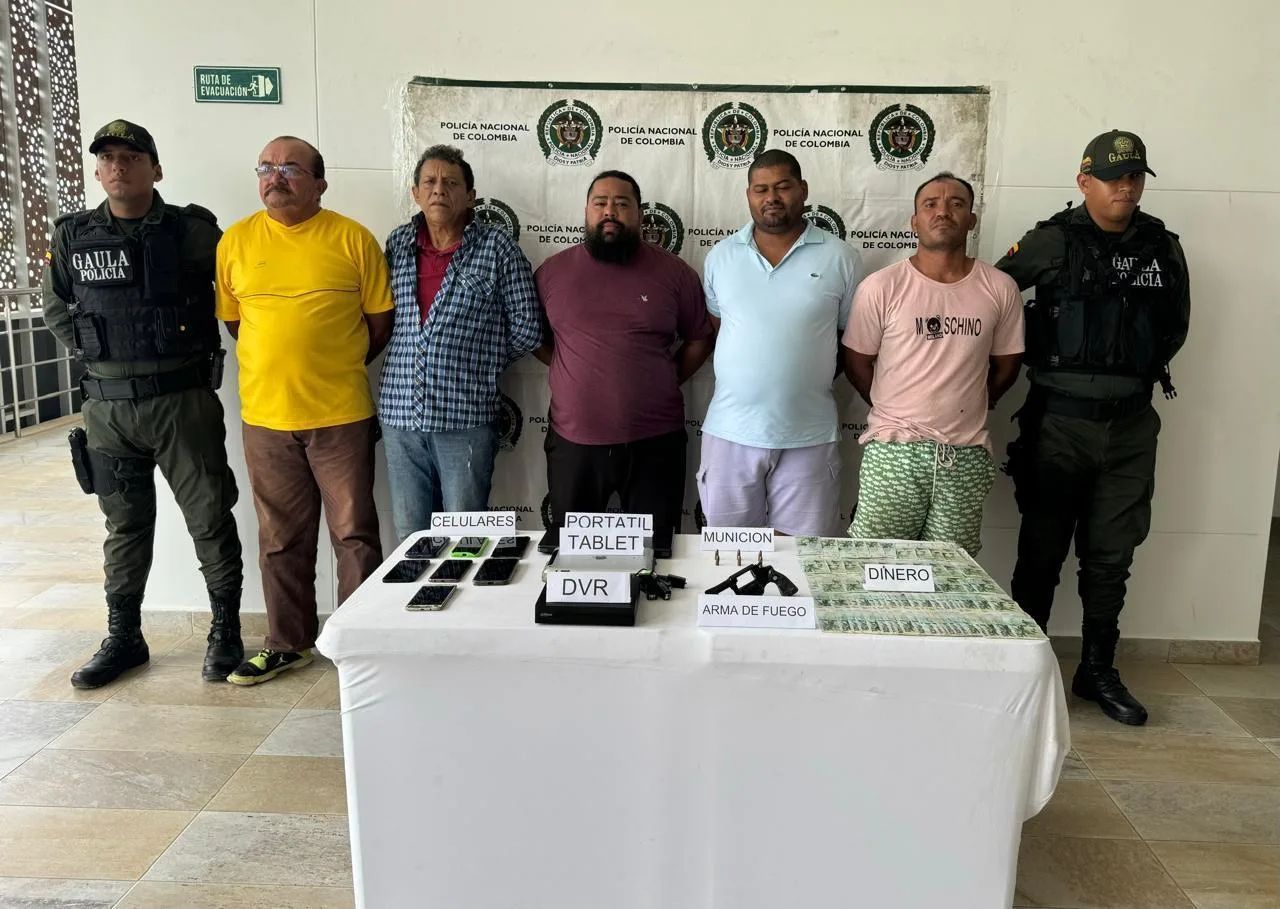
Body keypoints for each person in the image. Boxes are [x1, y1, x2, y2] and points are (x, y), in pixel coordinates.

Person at [997, 130, 1191, 726]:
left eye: (1134, 177)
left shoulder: (1162, 246)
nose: (1125, 187)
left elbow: (1176, 326)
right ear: (1085, 182)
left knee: (1111, 556)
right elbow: (992, 298)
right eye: (1113, 177)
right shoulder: (1051, 240)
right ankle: (1025, 669)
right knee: (1042, 550)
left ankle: (1097, 669)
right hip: (1060, 422)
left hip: (1131, 427)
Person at [42, 119, 243, 688]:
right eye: (107, 157)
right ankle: (124, 637)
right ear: (97, 170)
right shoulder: (73, 236)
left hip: (180, 403)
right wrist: (98, 352)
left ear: (156, 169)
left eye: (131, 157)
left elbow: (237, 289)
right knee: (124, 526)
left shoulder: (192, 232)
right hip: (107, 411)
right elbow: (56, 306)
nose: (118, 167)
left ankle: (225, 631)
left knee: (209, 517)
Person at [216, 136, 394, 685]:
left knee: (354, 536)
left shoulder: (353, 239)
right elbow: (236, 324)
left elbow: (379, 325)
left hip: (341, 416)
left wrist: (327, 364)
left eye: (291, 168)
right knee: (279, 540)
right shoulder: (236, 241)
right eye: (266, 167)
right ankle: (287, 643)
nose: (276, 177)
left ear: (319, 183)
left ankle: (357, 644)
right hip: (266, 421)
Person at [844, 172, 1023, 556]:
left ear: (971, 219)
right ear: (914, 221)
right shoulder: (881, 287)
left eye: (956, 204)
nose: (943, 212)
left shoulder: (999, 288)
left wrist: (972, 402)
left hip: (965, 455)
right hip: (894, 451)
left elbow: (1008, 366)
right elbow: (857, 363)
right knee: (875, 564)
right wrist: (893, 407)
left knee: (951, 573)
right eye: (930, 204)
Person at [534, 170, 713, 552]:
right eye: (600, 203)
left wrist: (663, 378)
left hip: (656, 443)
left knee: (656, 554)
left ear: (640, 213)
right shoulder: (552, 273)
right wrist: (573, 370)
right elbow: (534, 337)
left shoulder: (675, 273)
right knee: (574, 554)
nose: (609, 212)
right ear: (586, 211)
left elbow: (700, 338)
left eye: (621, 204)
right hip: (574, 443)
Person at [378, 145, 541, 541]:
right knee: (410, 537)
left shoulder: (496, 247)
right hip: (400, 415)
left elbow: (528, 327)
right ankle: (415, 586)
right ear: (415, 192)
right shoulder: (398, 244)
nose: (439, 190)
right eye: (430, 182)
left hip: (464, 416)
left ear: (470, 196)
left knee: (464, 538)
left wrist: (477, 363)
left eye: (451, 183)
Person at [698, 150, 865, 536]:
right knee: (727, 553)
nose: (771, 197)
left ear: (803, 190)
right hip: (731, 433)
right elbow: (719, 330)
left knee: (803, 556)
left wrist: (799, 378)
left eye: (782, 187)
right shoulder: (721, 257)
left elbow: (848, 341)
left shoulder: (841, 258)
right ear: (749, 195)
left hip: (809, 434)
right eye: (761, 189)